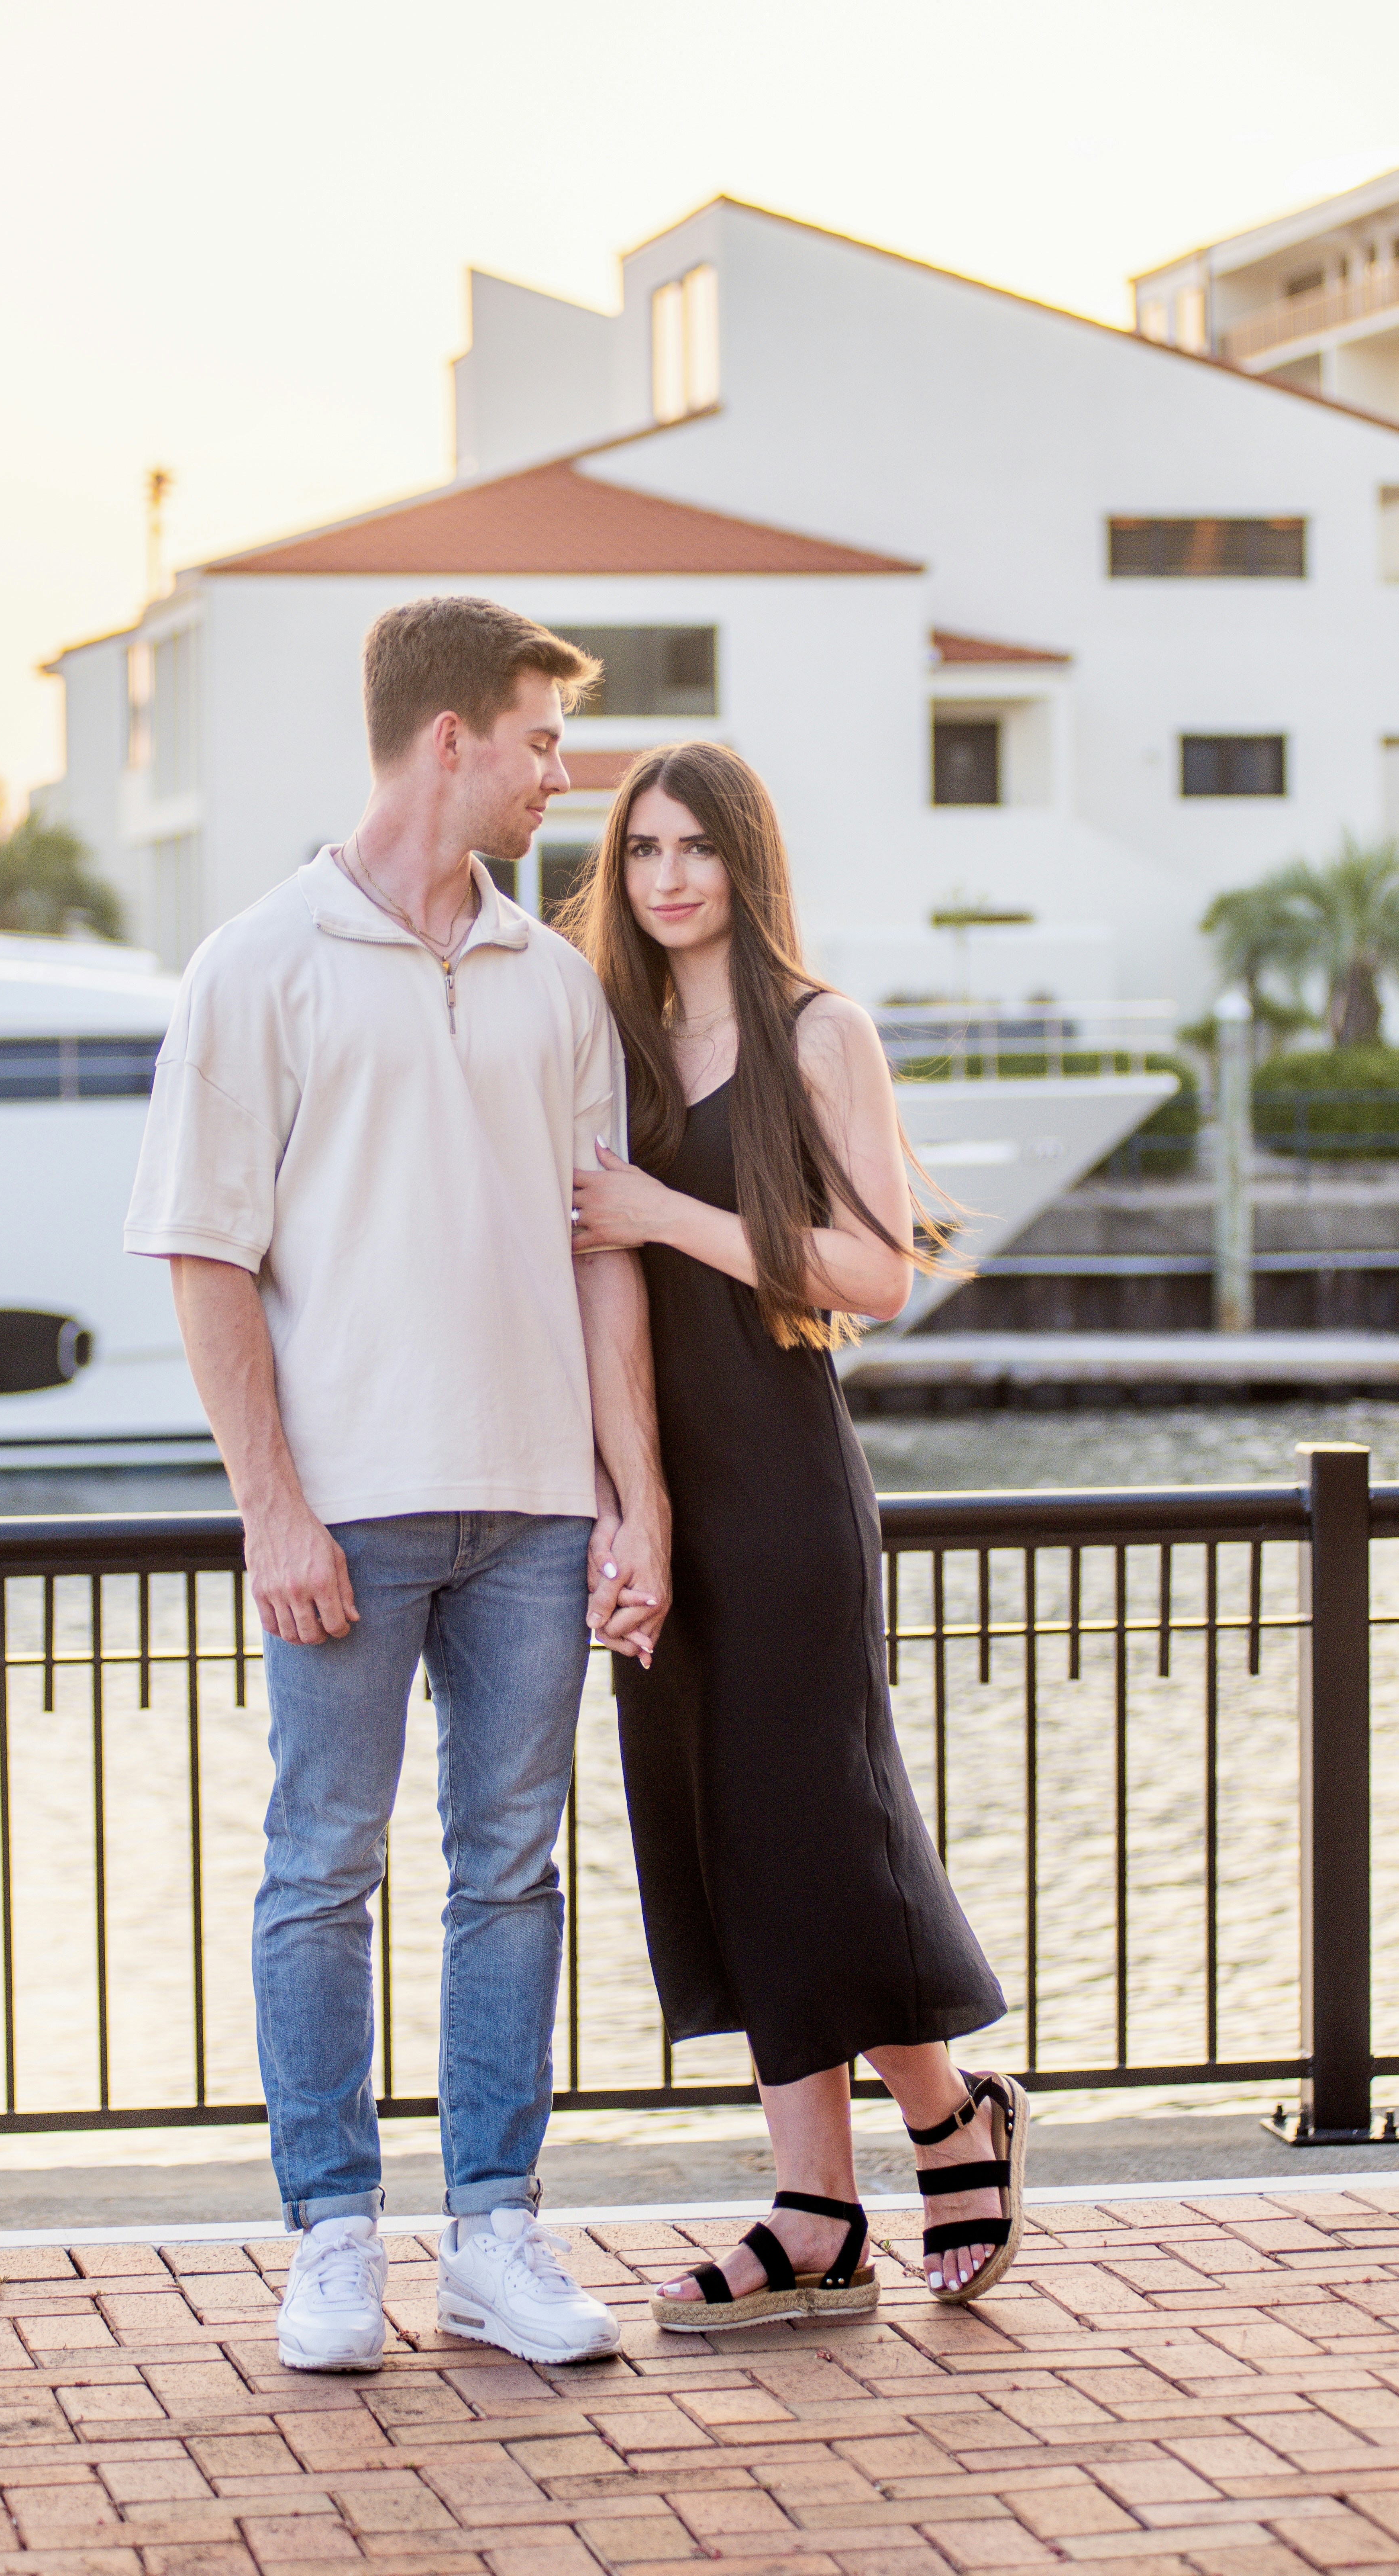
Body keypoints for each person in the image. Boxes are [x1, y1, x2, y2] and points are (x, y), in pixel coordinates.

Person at [125, 595, 671, 2374]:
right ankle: (334, 2238)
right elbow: (205, 1255)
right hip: (346, 1512)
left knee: (510, 1868)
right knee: (321, 1868)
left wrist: (634, 1496)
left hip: (536, 1511)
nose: (559, 774)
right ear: (451, 737)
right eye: (539, 739)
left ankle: (494, 2234)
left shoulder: (553, 980)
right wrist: (271, 1505)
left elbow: (600, 1251)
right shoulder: (257, 963)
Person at [567, 741, 1023, 2323]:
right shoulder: (611, 1043)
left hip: (782, 1486)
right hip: (658, 1489)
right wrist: (622, 1502)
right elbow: (589, 1278)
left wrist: (659, 1210)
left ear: (743, 860)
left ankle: (943, 2118)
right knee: (725, 1836)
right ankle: (817, 2207)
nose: (667, 877)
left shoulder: (819, 1029)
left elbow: (874, 1271)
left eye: (695, 846)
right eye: (642, 849)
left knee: (813, 1826)